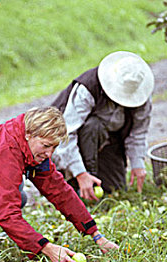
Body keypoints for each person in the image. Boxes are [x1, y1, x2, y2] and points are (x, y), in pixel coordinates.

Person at [0, 107, 119, 262]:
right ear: (29, 135)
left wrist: (95, 234)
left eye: (54, 147)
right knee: (9, 191)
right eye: (46, 146)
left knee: (16, 192)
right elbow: (8, 215)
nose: (49, 154)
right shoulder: (6, 152)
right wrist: (46, 247)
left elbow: (59, 191)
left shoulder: (26, 147)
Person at [50, 51, 154, 200]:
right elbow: (66, 134)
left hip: (108, 142)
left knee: (115, 188)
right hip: (75, 142)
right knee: (94, 126)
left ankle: (94, 180)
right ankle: (75, 181)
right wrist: (80, 173)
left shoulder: (140, 93)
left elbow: (138, 133)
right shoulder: (88, 88)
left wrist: (138, 164)